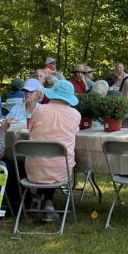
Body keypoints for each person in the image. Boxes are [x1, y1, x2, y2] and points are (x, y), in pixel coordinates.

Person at [25, 80, 81, 221]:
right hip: (62, 168)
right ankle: (48, 204)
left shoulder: (39, 110)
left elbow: (30, 129)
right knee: (55, 161)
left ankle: (39, 198)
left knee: (45, 159)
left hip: (34, 168)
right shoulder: (75, 114)